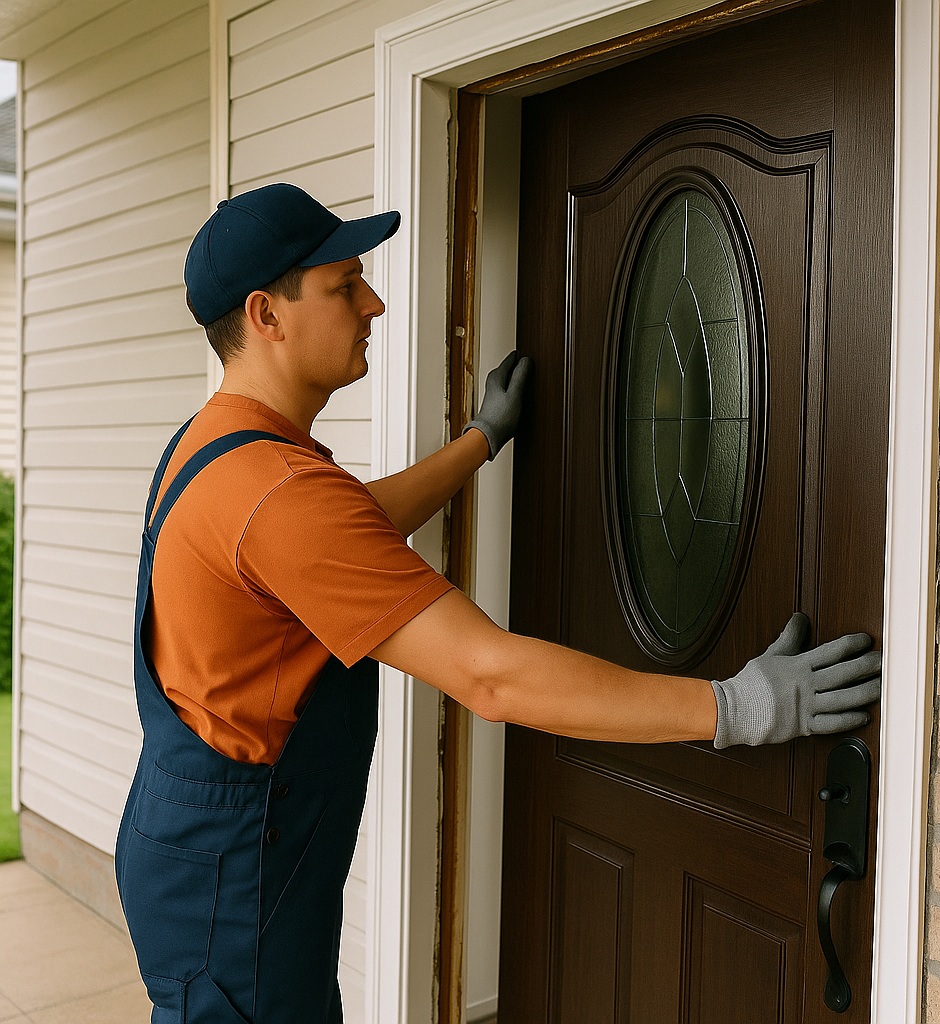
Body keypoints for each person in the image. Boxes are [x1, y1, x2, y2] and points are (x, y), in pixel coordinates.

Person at [115, 182, 881, 1023]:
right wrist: (735, 705)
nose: (373, 302)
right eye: (344, 286)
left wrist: (481, 440)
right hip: (234, 888)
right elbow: (491, 677)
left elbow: (349, 530)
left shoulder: (218, 449)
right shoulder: (281, 492)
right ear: (267, 314)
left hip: (188, 844)